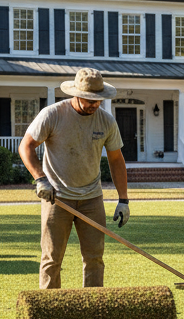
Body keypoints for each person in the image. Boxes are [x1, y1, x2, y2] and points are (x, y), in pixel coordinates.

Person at [18, 68, 130, 289]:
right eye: (89, 99)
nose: (94, 104)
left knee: (95, 258)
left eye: (98, 100)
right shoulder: (53, 114)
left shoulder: (106, 122)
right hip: (56, 198)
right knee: (52, 259)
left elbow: (117, 160)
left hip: (92, 198)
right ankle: (49, 311)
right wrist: (40, 179)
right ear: (76, 94)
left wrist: (123, 200)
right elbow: (26, 146)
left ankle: (91, 310)